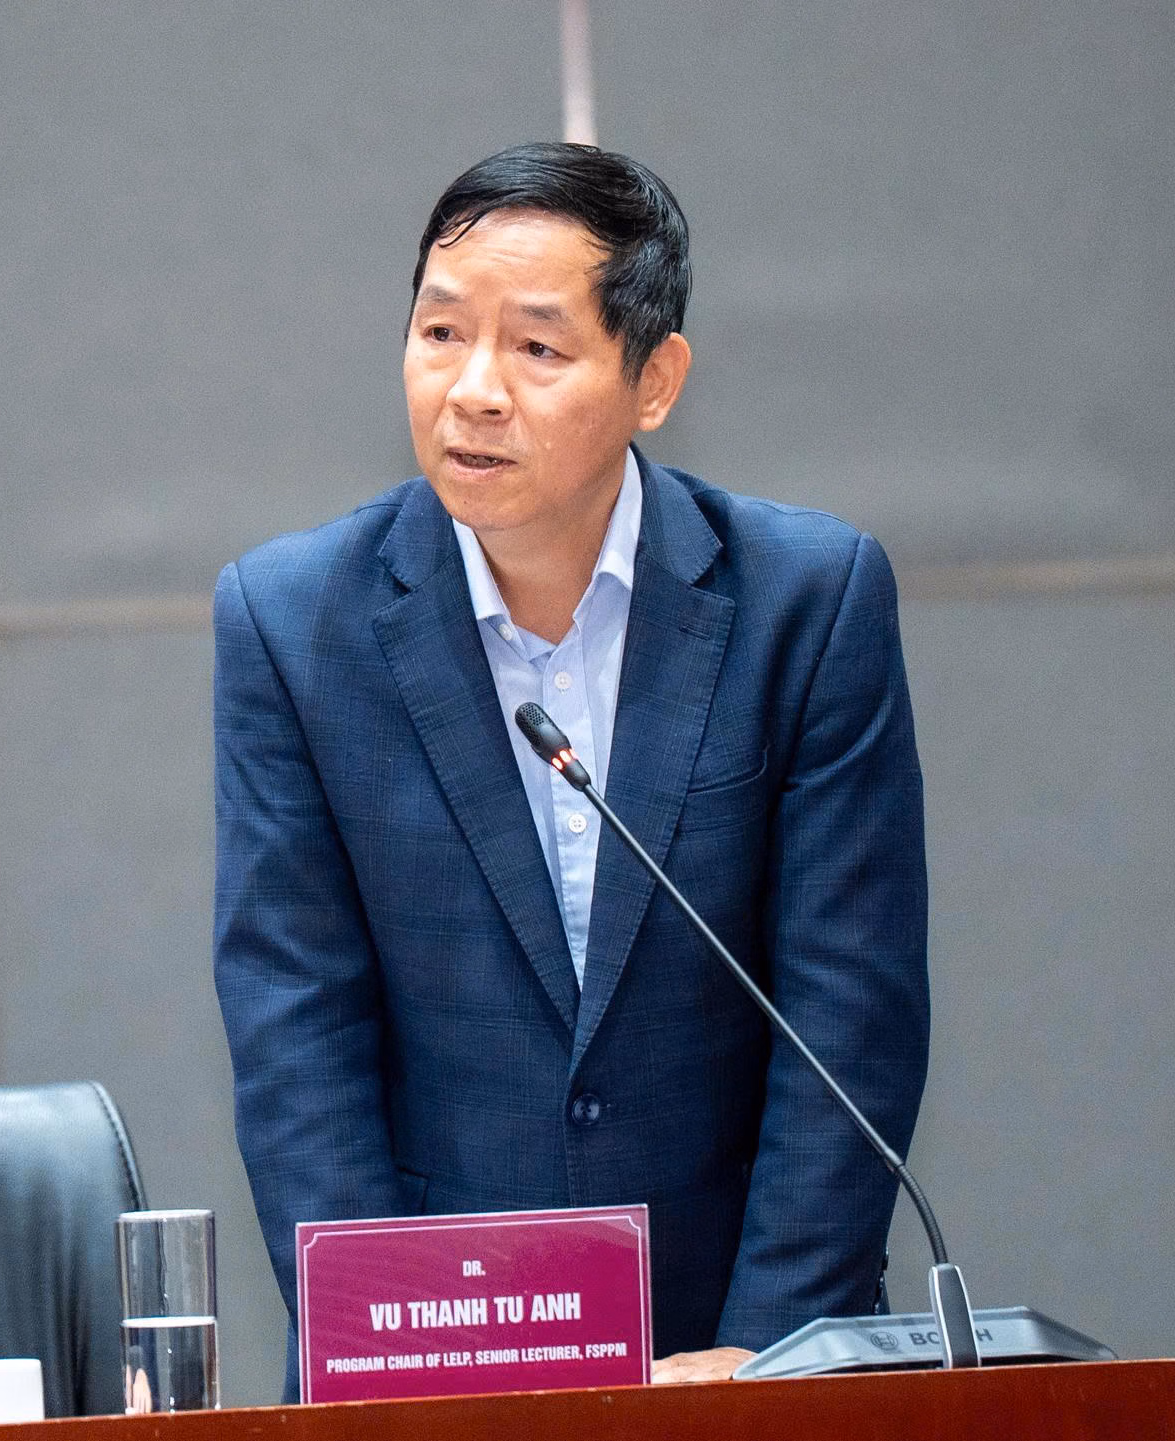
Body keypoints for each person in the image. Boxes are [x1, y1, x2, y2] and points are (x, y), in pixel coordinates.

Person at [212, 142, 928, 1393]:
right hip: (431, 1353)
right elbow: (296, 1032)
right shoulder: (292, 622)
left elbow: (847, 1016)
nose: (473, 390)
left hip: (735, 1340)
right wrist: (400, 1357)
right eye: (441, 333)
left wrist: (765, 1357)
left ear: (655, 381)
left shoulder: (805, 606)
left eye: (537, 348)